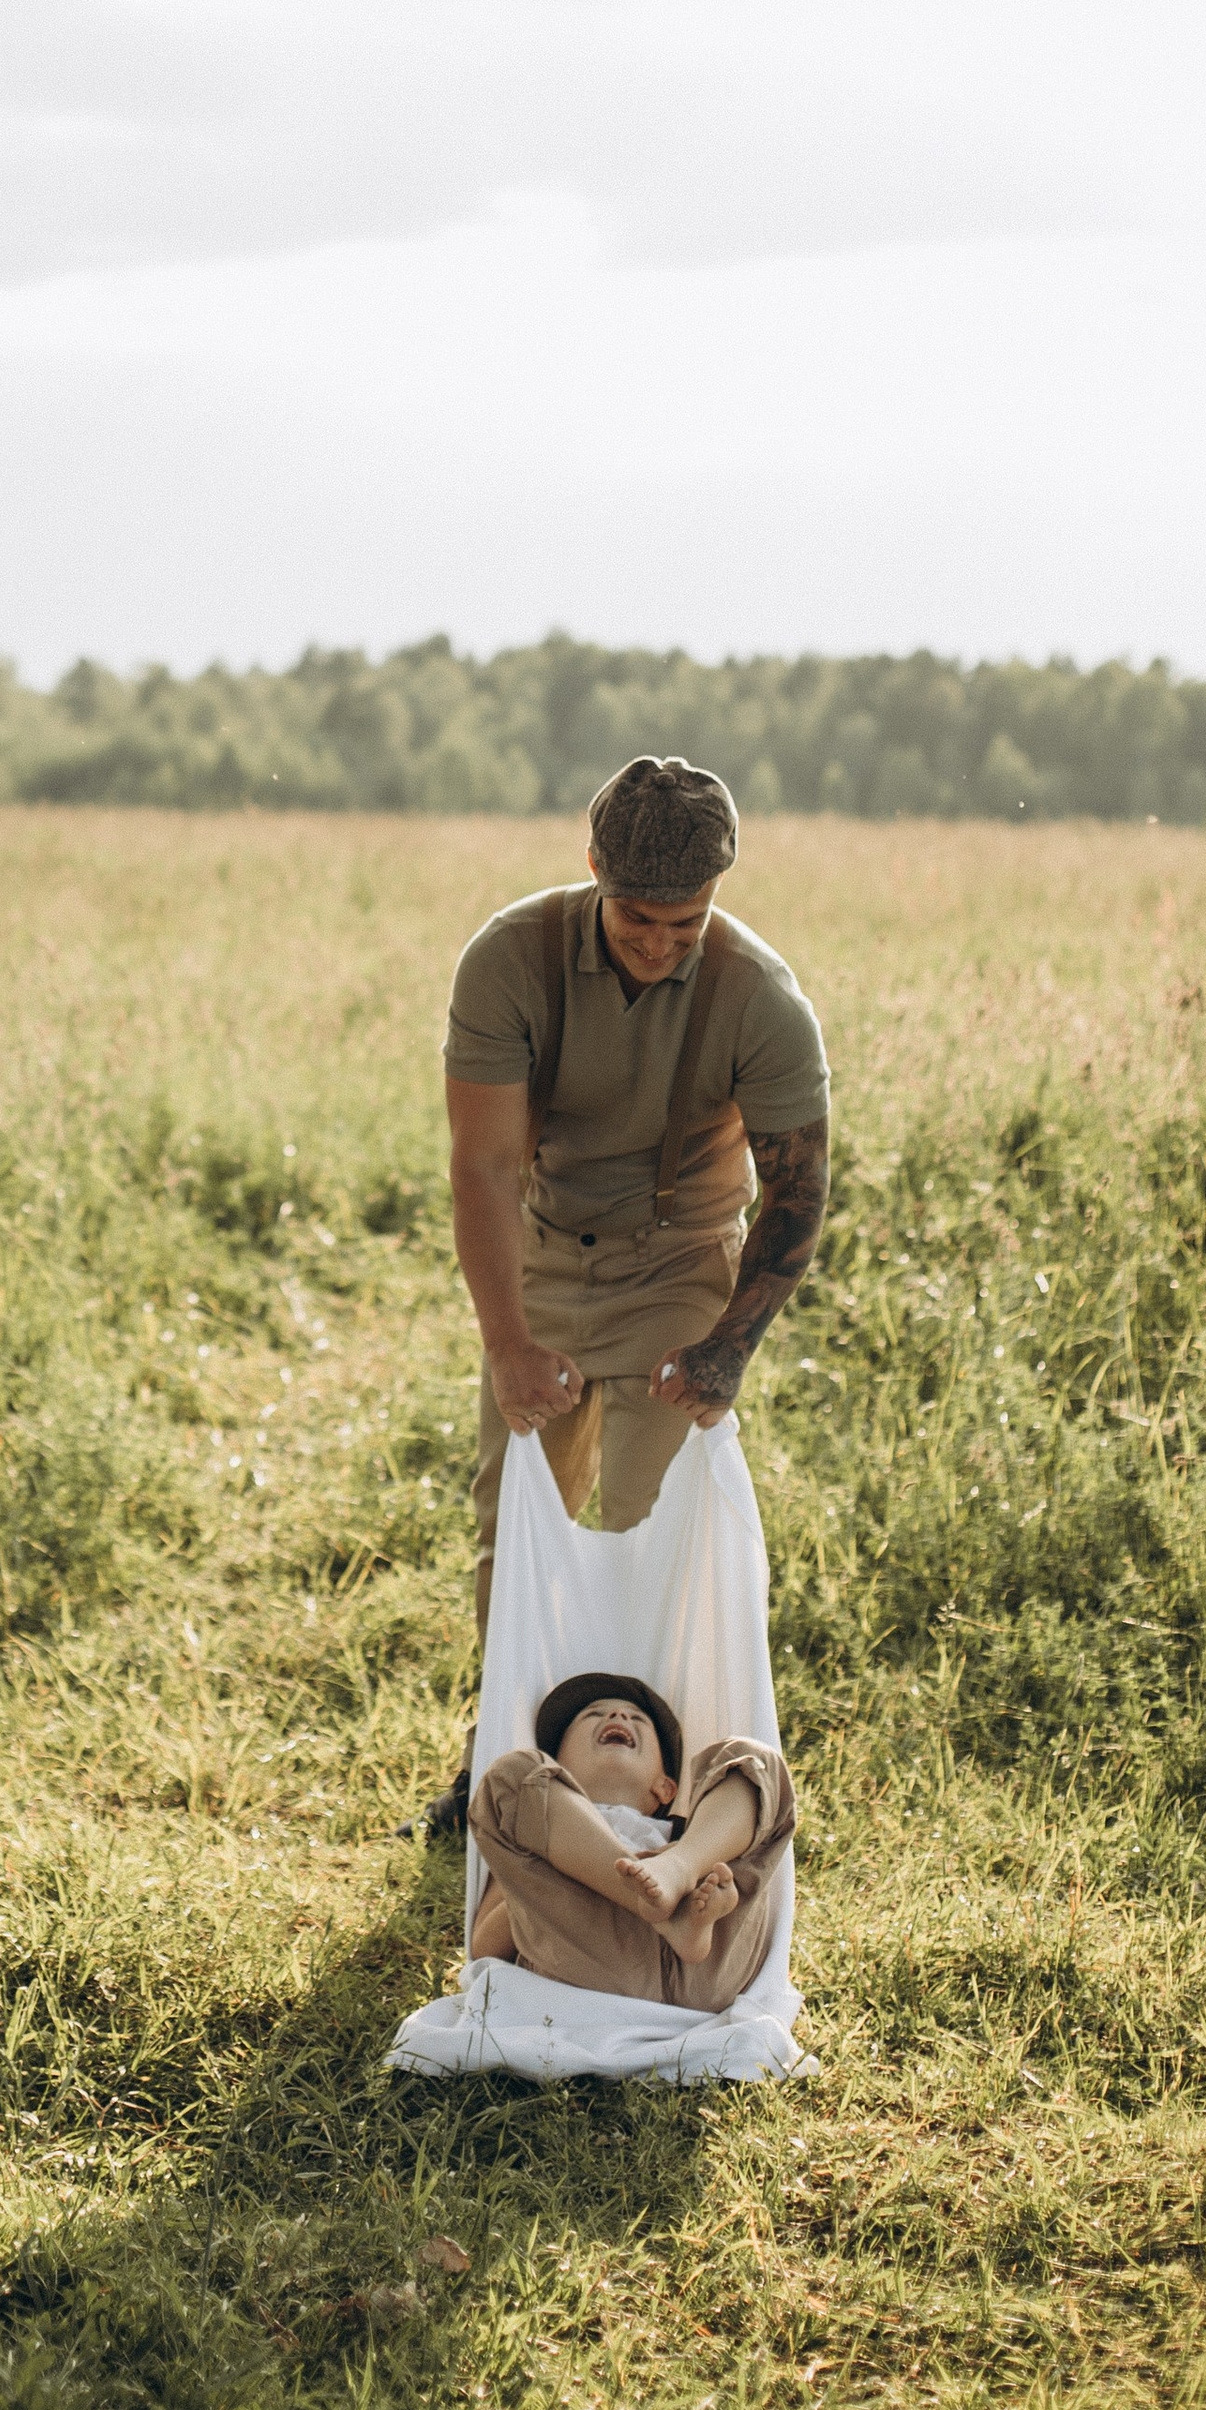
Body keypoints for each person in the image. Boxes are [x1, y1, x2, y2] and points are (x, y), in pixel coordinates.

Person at [422, 753, 830, 1840]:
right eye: (637, 918)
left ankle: (667, 1792)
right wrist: (508, 1343)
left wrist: (726, 1349)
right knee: (519, 1529)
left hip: (679, 1261)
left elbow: (796, 1191)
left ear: (718, 891)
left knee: (657, 1532)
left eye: (683, 923)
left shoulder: (760, 998)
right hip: (545, 1252)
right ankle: (503, 1767)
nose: (656, 943)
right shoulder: (509, 958)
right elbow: (482, 1168)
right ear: (594, 868)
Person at [466, 1673, 797, 2013]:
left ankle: (677, 1871)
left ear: (666, 1788)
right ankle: (669, 1912)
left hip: (705, 1965)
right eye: (593, 1714)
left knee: (755, 1761)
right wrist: (539, 1889)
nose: (618, 1715)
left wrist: (690, 1866)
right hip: (592, 1959)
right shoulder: (535, 1832)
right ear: (559, 1771)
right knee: (513, 1773)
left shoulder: (700, 1833)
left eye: (638, 1719)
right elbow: (485, 1947)